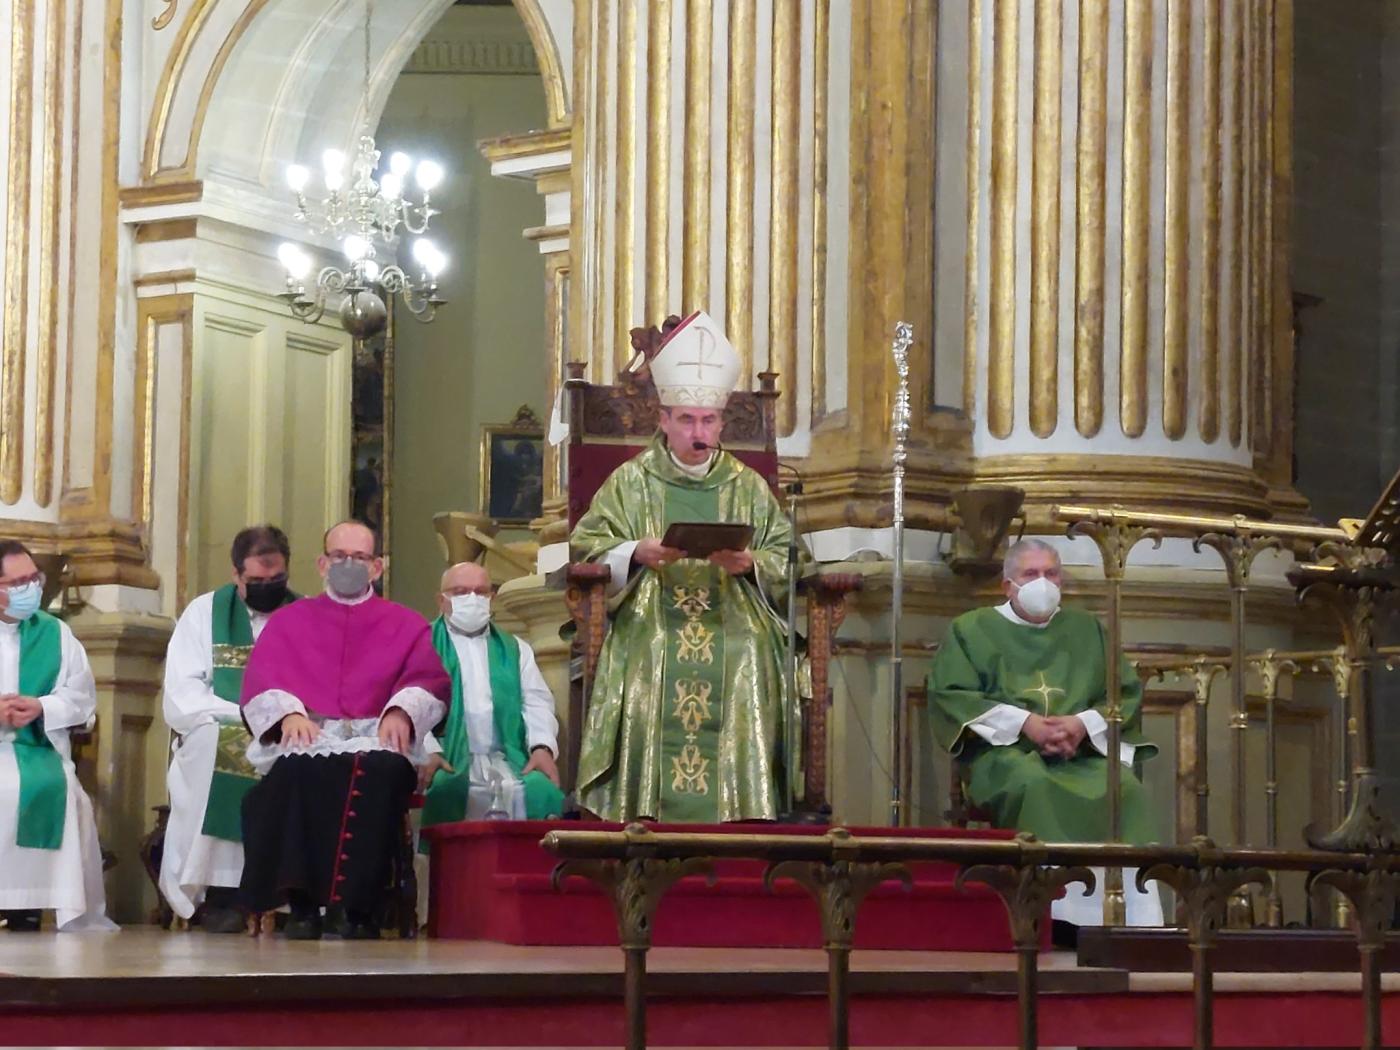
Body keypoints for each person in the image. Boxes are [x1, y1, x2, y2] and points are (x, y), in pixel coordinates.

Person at [570, 310, 798, 823]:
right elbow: (585, 545)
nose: (700, 432)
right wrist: (634, 553)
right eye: (688, 420)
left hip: (734, 610)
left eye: (709, 421)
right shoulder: (630, 483)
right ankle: (643, 808)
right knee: (650, 652)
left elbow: (789, 553)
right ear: (665, 420)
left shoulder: (747, 486)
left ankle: (744, 809)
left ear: (721, 422)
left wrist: (752, 563)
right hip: (652, 609)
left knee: (749, 653)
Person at [927, 538, 1162, 926]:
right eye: (1031, 574)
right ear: (1008, 585)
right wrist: (1026, 725)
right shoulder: (972, 629)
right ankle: (1054, 919)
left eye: (1051, 573)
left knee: (1128, 790)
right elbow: (952, 696)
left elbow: (1123, 693)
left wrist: (1081, 725)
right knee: (1033, 782)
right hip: (1007, 755)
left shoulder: (1088, 630)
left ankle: (1130, 919)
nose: (1043, 583)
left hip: (1082, 754)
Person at [236, 520, 449, 939]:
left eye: (360, 557)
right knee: (295, 770)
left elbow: (429, 679)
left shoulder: (406, 624)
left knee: (381, 769)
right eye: (339, 557)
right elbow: (263, 679)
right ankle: (301, 907)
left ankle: (355, 908)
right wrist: (288, 715)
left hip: (377, 734)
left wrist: (401, 712)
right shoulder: (289, 621)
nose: (348, 565)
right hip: (313, 732)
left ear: (377, 567)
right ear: (321, 563)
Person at [158, 525, 297, 932]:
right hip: (219, 722)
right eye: (257, 581)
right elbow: (184, 691)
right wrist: (248, 717)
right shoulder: (204, 613)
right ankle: (222, 893)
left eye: (277, 580)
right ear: (237, 574)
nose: (269, 588)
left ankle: (290, 894)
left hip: (290, 729)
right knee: (218, 745)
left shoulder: (305, 615)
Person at [0, 541, 115, 932]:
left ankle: (28, 906)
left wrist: (42, 707)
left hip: (38, 748)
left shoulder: (56, 633)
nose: (31, 588)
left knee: (55, 785)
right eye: (18, 582)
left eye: (34, 578)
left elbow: (81, 698)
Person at [419, 562, 564, 826]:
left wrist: (541, 748)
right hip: (447, 757)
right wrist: (425, 750)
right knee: (442, 790)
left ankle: (533, 869)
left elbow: (536, 702)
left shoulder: (515, 649)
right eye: (460, 592)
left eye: (481, 592)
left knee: (543, 792)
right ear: (441, 601)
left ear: (491, 598)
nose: (472, 599)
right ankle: (442, 868)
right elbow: (407, 701)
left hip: (507, 759)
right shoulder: (422, 643)